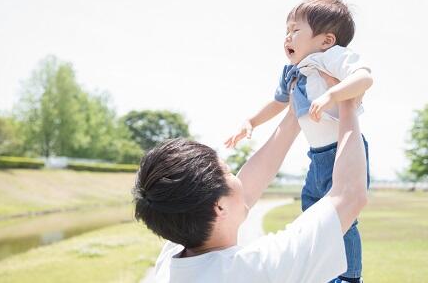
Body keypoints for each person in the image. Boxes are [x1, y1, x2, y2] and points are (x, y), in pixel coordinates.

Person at [133, 98, 368, 283]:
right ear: (220, 207)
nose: (237, 178)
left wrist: (295, 114)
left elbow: (240, 192)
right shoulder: (258, 269)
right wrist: (347, 103)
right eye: (227, 172)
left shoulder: (172, 261)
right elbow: (348, 195)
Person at [224, 0, 373, 282]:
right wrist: (251, 121)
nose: (287, 37)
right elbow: (278, 103)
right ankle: (323, 270)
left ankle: (350, 277)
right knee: (312, 208)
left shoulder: (331, 58)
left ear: (326, 40)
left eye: (295, 30)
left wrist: (333, 94)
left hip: (344, 151)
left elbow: (364, 78)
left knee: (343, 218)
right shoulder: (292, 72)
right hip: (317, 154)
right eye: (286, 31)